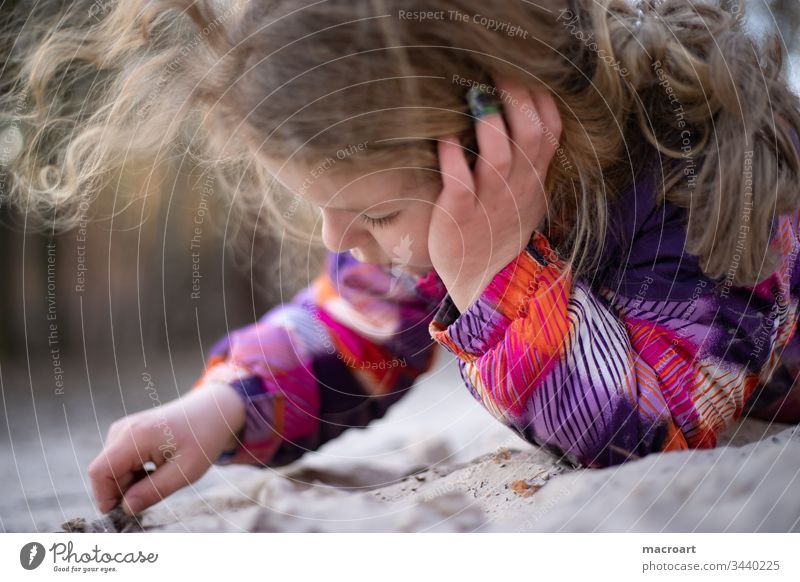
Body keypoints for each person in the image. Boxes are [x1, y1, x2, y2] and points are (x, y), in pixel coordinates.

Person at [4, 0, 800, 518]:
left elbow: (650, 430)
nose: (334, 240)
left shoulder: (697, 185)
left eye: (375, 214)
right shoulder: (464, 199)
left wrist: (496, 274)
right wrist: (226, 405)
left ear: (498, 132)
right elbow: (358, 324)